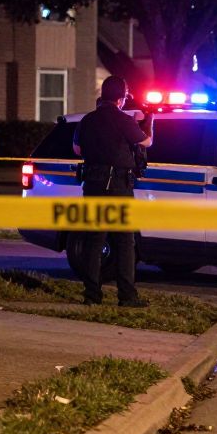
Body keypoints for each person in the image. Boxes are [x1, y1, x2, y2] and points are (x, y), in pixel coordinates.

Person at [72, 76, 152, 307]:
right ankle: (127, 296)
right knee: (124, 242)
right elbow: (147, 142)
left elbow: (77, 149)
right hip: (118, 186)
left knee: (93, 242)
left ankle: (91, 295)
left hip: (93, 185)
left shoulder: (88, 120)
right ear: (121, 97)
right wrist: (147, 121)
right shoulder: (123, 119)